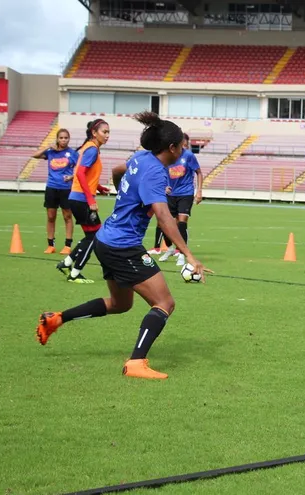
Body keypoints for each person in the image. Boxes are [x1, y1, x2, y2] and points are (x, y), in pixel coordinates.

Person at [36, 112, 211, 379]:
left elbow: (119, 171)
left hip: (106, 239)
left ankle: (56, 319)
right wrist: (189, 255)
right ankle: (136, 363)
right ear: (173, 148)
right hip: (123, 246)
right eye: (182, 145)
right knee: (164, 302)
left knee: (120, 304)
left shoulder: (141, 158)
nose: (183, 150)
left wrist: (126, 195)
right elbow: (164, 217)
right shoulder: (155, 173)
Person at [56, 119, 110, 283]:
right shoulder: (92, 150)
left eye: (108, 132)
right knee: (95, 237)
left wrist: (98, 187)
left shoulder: (89, 148)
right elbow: (79, 174)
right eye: (104, 132)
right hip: (81, 199)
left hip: (76, 197)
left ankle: (67, 263)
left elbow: (85, 174)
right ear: (94, 133)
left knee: (90, 236)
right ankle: (75, 273)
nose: (107, 136)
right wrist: (90, 199)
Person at [151, 133, 203, 264]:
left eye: (185, 143)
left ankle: (181, 253)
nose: (183, 145)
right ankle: (169, 248)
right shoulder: (169, 155)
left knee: (182, 221)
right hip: (170, 194)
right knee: (166, 223)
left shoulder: (189, 156)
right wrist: (164, 186)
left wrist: (199, 191)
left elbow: (199, 172)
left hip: (186, 193)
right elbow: (161, 171)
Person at [33, 129, 78, 255]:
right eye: (61, 138)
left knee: (67, 216)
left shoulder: (72, 153)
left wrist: (72, 177)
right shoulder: (50, 152)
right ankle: (50, 245)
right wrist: (48, 146)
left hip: (66, 189)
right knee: (51, 216)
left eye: (66, 138)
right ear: (57, 139)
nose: (63, 140)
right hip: (52, 187)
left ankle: (67, 245)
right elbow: (35, 155)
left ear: (69, 139)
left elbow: (81, 169)